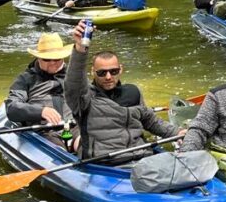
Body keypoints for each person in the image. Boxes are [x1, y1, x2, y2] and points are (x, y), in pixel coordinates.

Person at [64, 20, 180, 161]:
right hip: (106, 163)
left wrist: (178, 133)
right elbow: (74, 82)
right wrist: (80, 48)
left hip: (142, 158)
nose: (108, 77)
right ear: (93, 72)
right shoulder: (84, 97)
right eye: (102, 73)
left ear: (120, 69)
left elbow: (151, 121)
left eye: (113, 71)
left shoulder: (133, 91)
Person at [5, 33, 75, 136]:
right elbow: (12, 108)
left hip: (74, 127)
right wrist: (41, 111)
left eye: (57, 59)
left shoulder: (74, 76)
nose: (52, 63)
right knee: (54, 144)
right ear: (38, 58)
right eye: (47, 59)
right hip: (44, 131)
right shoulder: (25, 79)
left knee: (84, 142)